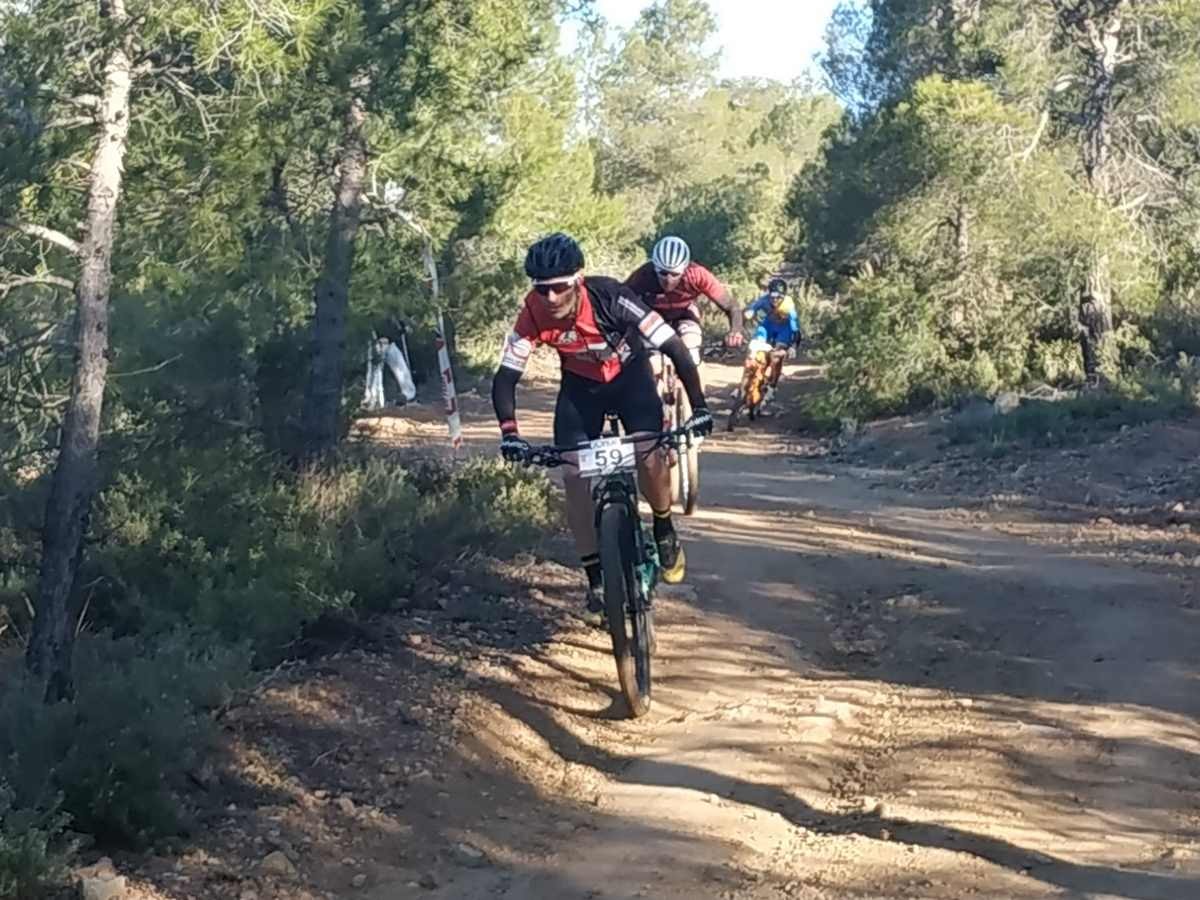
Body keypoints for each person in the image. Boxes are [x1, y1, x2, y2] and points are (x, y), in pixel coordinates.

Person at [492, 233, 714, 624]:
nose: (550, 297)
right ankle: (595, 576)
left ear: (577, 281)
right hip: (581, 391)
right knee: (573, 475)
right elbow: (507, 376)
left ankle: (663, 526)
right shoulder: (533, 311)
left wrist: (699, 408)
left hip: (631, 382)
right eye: (541, 289)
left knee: (648, 453)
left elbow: (674, 348)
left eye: (559, 287)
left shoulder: (612, 297)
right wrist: (510, 432)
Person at [624, 236, 744, 370]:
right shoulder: (643, 275)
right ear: (654, 268)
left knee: (690, 356)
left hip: (684, 315)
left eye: (675, 274)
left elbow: (731, 305)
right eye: (663, 273)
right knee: (650, 364)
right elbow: (619, 301)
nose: (668, 280)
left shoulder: (698, 275)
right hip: (652, 317)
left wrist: (735, 331)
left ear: (685, 269)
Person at [743, 278, 803, 406]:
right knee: (753, 348)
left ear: (784, 296)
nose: (775, 300)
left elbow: (795, 329)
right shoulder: (764, 300)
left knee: (776, 356)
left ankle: (772, 386)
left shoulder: (789, 307)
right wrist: (749, 312)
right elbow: (754, 306)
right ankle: (744, 383)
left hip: (784, 330)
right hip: (768, 327)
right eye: (772, 297)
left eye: (778, 297)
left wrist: (793, 346)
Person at [364, 314, 416, 409]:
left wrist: (403, 328)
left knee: (401, 368)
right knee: (376, 373)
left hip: (390, 343)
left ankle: (408, 396)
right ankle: (372, 400)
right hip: (377, 343)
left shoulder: (392, 314)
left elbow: (396, 328)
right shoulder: (372, 313)